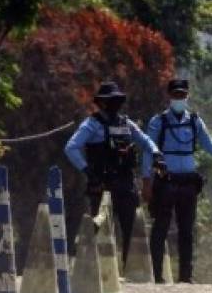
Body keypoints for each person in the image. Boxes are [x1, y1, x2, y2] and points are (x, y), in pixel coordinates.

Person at [142, 79, 212, 283]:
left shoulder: (194, 121)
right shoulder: (158, 121)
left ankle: (186, 276)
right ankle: (157, 276)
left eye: (182, 95)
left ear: (187, 96)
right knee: (161, 228)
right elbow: (148, 151)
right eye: (175, 95)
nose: (179, 99)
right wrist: (146, 181)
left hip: (188, 182)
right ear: (169, 96)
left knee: (187, 229)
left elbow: (210, 145)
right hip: (165, 181)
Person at [65, 81, 165, 267]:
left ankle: (129, 268)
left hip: (126, 183)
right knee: (100, 226)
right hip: (103, 183)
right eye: (112, 100)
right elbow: (71, 148)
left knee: (131, 227)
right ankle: (84, 266)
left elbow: (146, 141)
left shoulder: (126, 123)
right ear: (102, 102)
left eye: (118, 100)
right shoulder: (92, 124)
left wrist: (157, 154)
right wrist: (87, 171)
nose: (116, 104)